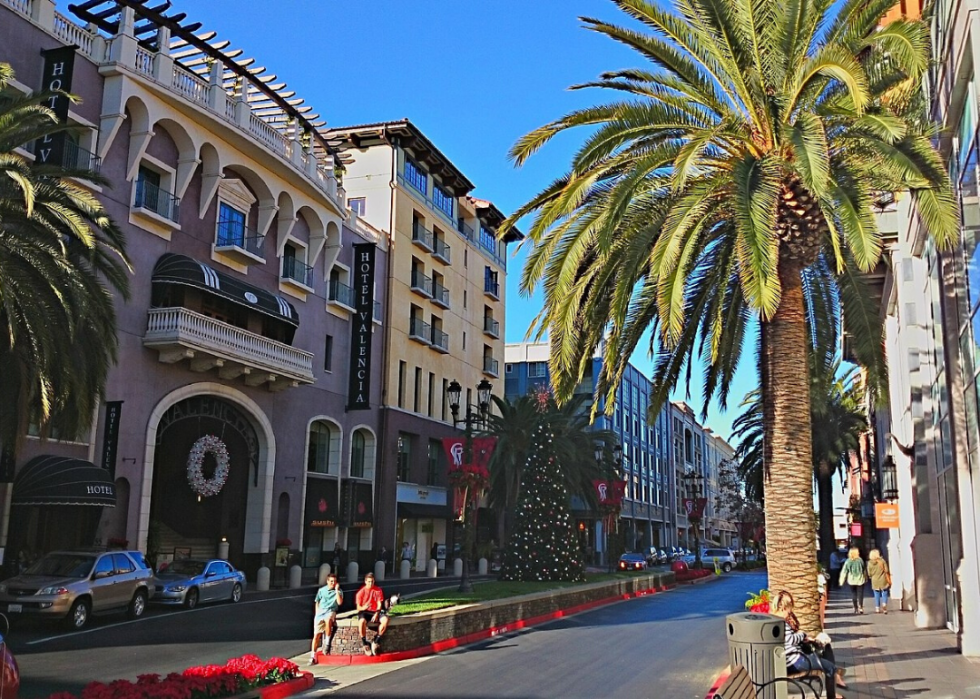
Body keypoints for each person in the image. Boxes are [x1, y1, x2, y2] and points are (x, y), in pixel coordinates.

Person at [771, 590, 846, 698]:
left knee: (825, 655)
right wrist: (802, 635)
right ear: (784, 607)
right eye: (789, 609)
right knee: (829, 666)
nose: (790, 613)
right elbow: (790, 640)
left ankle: (835, 676)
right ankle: (832, 693)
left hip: (790, 661)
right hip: (796, 662)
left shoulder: (774, 621)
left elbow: (787, 640)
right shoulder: (782, 622)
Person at [310, 573, 343, 663]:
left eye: (335, 581)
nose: (333, 583)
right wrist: (317, 612)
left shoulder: (339, 591)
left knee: (328, 620)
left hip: (330, 611)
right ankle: (312, 656)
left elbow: (339, 603)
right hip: (320, 612)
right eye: (331, 581)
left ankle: (327, 643)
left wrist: (336, 590)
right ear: (327, 581)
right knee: (316, 635)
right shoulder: (321, 590)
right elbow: (317, 601)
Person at [356, 572, 389, 656]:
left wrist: (377, 613)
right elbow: (358, 608)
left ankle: (376, 641)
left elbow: (379, 604)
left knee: (385, 620)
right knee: (361, 622)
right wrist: (364, 607)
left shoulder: (378, 590)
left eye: (372, 581)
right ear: (365, 581)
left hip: (375, 611)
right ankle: (365, 643)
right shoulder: (361, 592)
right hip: (364, 611)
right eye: (369, 581)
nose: (371, 583)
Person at [839, 547, 867, 614]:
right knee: (860, 594)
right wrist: (866, 577)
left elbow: (844, 571)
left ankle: (855, 608)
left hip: (851, 580)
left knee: (853, 594)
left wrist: (841, 581)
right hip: (860, 579)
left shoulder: (848, 561)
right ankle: (861, 607)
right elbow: (864, 570)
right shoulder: (860, 560)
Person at [867, 549, 892, 614]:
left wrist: (871, 576)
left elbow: (869, 573)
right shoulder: (882, 561)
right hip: (883, 579)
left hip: (875, 580)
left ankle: (877, 608)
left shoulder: (869, 563)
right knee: (884, 593)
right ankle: (884, 605)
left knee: (876, 594)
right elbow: (886, 570)